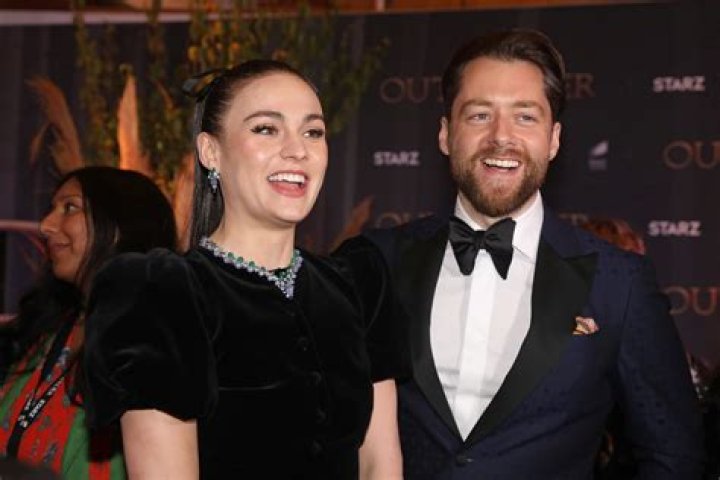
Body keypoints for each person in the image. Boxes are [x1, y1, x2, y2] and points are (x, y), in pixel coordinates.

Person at [357, 29, 704, 478]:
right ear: (445, 133)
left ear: (553, 139)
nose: (501, 137)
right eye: (479, 115)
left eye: (525, 117)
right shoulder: (379, 261)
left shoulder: (619, 284)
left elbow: (673, 456)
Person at [83, 59, 406, 479]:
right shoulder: (161, 294)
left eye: (313, 132)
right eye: (266, 129)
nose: (298, 150)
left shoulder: (358, 286)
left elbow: (381, 464)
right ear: (210, 152)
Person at [0, 166, 177, 478]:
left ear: (120, 226)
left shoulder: (153, 343)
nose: (46, 225)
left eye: (70, 207)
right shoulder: (49, 327)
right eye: (52, 209)